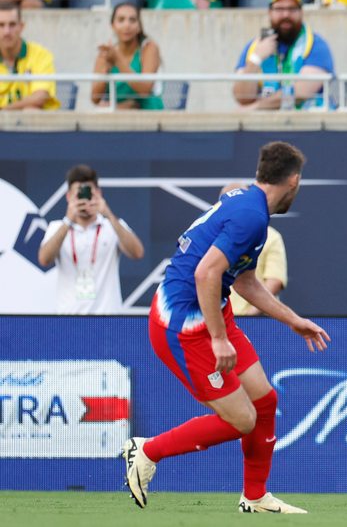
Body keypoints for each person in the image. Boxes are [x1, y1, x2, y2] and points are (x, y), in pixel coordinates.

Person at [122, 142, 329, 514]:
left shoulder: (250, 207)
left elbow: (244, 281)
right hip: (182, 325)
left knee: (265, 401)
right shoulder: (252, 216)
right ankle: (147, 451)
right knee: (242, 419)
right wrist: (218, 339)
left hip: (212, 310)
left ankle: (255, 497)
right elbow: (206, 273)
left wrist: (292, 319)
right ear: (294, 181)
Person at [38, 165, 145, 315]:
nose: (84, 199)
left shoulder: (112, 225)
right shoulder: (57, 227)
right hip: (68, 318)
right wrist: (68, 220)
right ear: (68, 197)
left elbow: (137, 253)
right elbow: (44, 259)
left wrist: (108, 214)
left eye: (88, 193)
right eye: (78, 194)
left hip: (107, 317)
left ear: (98, 193)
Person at [233, 0, 335, 111]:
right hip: (264, 122)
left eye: (292, 9)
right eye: (279, 9)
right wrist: (255, 59)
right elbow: (242, 97)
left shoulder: (316, 45)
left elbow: (300, 93)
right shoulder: (254, 47)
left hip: (308, 120)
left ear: (301, 12)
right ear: (269, 12)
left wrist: (255, 107)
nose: (286, 14)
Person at [218, 182, 289, 316]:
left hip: (256, 320)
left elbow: (274, 280)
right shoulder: (213, 236)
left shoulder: (270, 236)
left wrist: (250, 316)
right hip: (220, 319)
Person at [92, 2, 164, 110]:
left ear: (139, 26)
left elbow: (144, 90)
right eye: (121, 20)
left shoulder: (149, 47)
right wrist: (105, 70)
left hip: (148, 113)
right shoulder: (107, 54)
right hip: (117, 115)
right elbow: (95, 99)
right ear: (112, 25)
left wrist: (117, 60)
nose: (127, 25)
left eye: (132, 20)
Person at [0, 3, 59, 110]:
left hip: (31, 119)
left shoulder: (41, 55)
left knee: (30, 110)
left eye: (12, 24)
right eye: (1, 25)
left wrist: (5, 112)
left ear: (21, 26)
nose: (7, 31)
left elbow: (39, 99)